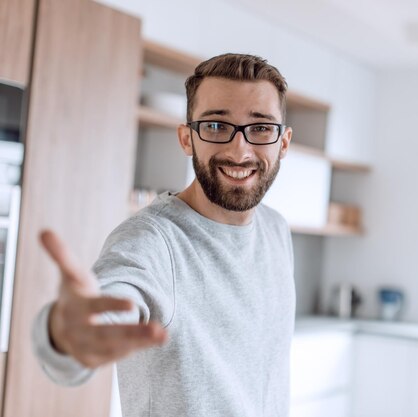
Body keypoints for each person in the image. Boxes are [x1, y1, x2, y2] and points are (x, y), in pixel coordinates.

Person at [32, 53, 296, 417]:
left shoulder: (276, 229)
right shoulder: (153, 241)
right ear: (187, 139)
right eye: (216, 126)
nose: (240, 150)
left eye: (261, 128)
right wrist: (67, 336)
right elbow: (105, 307)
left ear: (283, 143)